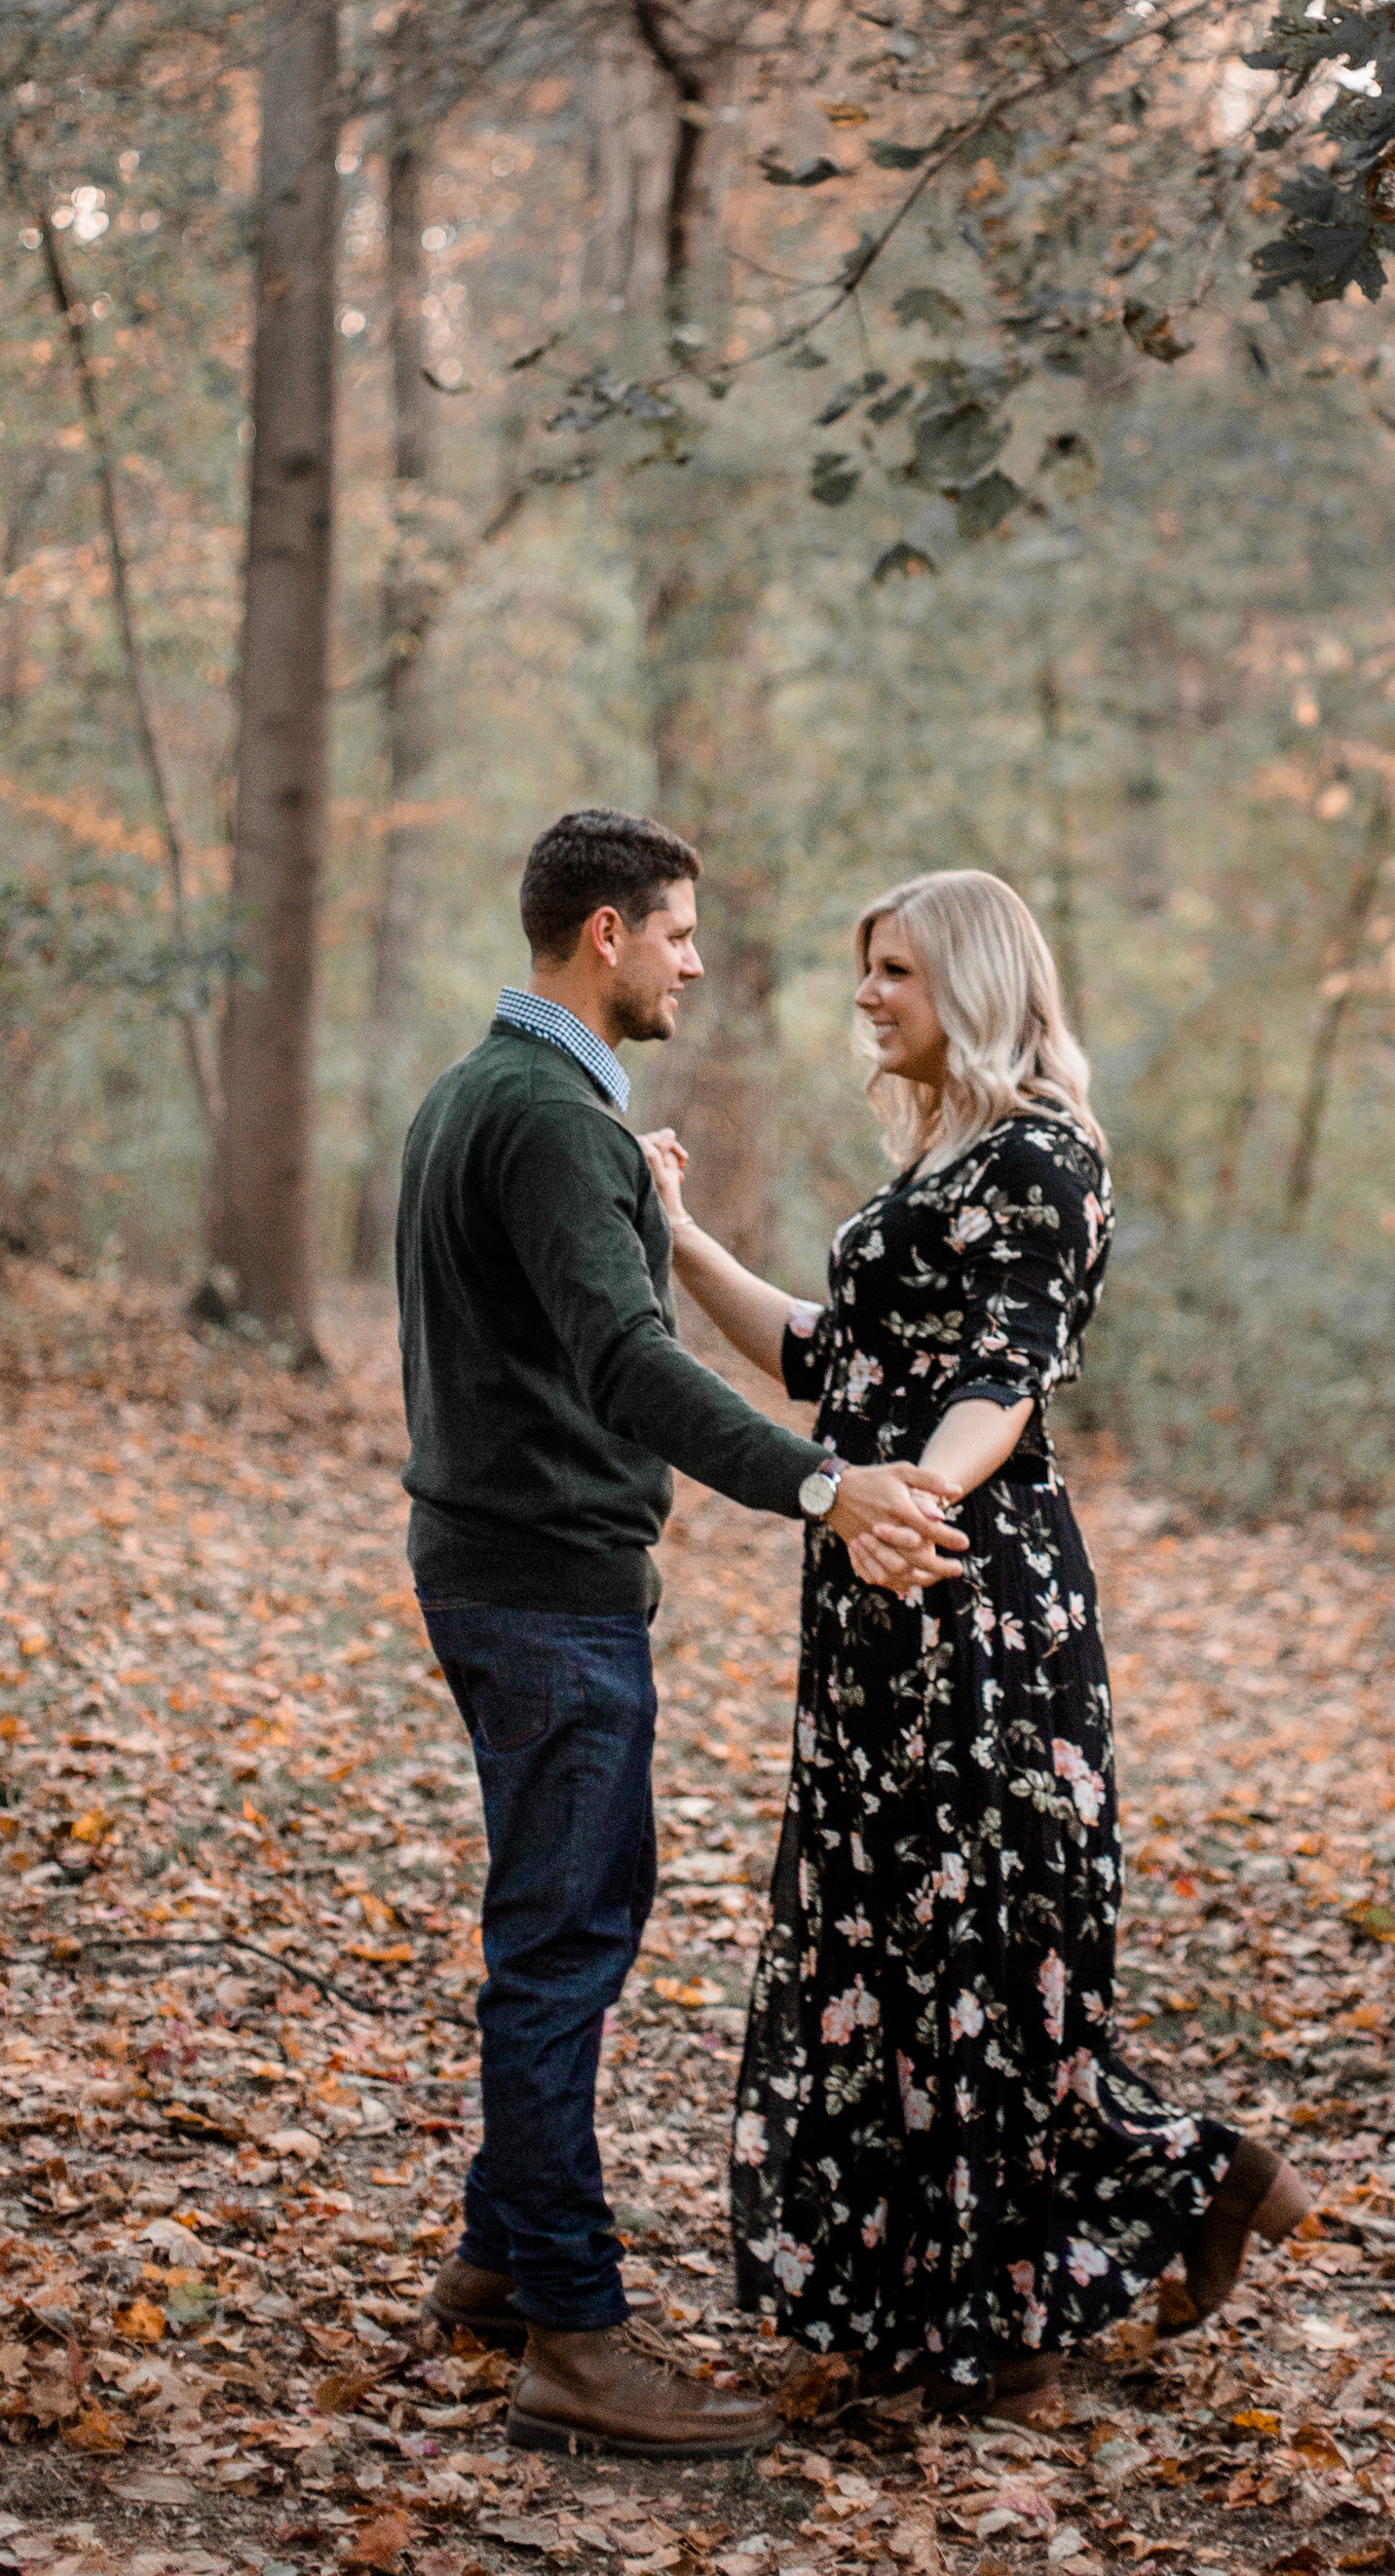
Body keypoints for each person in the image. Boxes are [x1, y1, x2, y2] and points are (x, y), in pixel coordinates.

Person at [642, 866, 1310, 2420]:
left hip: (977, 1595)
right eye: (864, 970)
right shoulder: (935, 1165)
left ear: (974, 979)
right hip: (887, 1587)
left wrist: (911, 1501)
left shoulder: (1044, 1157)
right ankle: (1083, 2235)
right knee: (894, 1943)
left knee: (987, 1955)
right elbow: (824, 1355)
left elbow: (1003, 1381)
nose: (866, 994)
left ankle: (1005, 2331)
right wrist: (676, 1234)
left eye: (893, 969)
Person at [396, 808, 965, 2462]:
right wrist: (824, 1487)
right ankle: (574, 2333)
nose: (696, 963)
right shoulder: (549, 1119)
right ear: (606, 938)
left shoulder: (484, 1098)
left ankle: (504, 2258)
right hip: (545, 1585)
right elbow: (627, 1367)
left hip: (499, 1565)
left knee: (563, 1912)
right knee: (564, 1937)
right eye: (680, 933)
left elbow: (547, 1323)